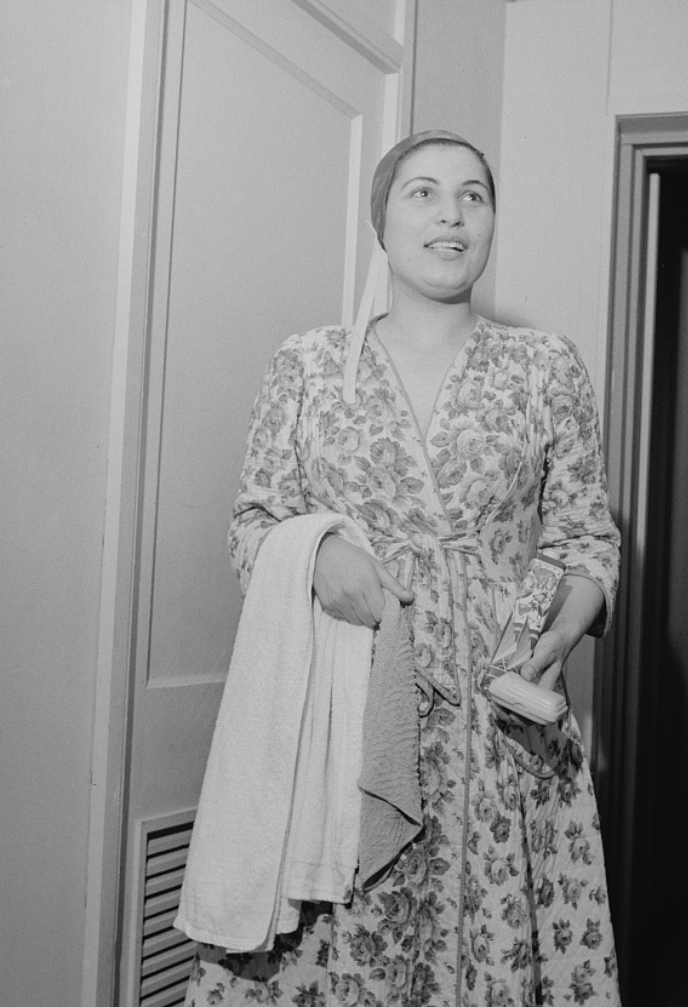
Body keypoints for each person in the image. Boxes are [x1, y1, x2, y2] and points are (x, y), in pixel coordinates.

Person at [185, 130, 621, 1007]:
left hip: (498, 734)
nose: (451, 214)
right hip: (345, 721)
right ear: (380, 219)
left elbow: (585, 539)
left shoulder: (545, 366)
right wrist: (318, 556)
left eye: (474, 195)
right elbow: (253, 523)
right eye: (422, 192)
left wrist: (565, 628)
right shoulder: (307, 364)